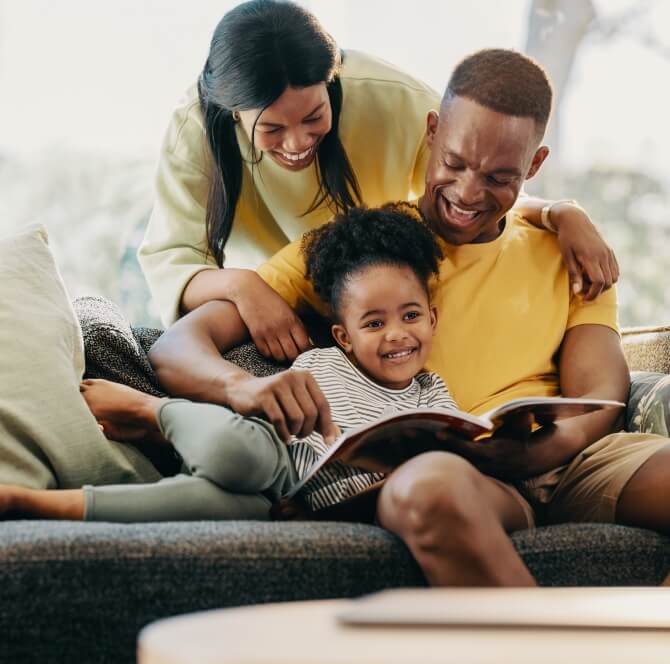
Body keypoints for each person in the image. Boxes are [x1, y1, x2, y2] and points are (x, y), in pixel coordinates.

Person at [139, 48, 670, 586]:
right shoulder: (363, 249)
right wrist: (238, 387)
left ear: (533, 167)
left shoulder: (565, 249)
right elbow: (176, 347)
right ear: (433, 133)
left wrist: (545, 450)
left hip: (572, 459)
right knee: (424, 489)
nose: (467, 193)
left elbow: (600, 390)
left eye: (498, 178)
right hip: (462, 477)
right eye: (455, 164)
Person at [139, 0, 618, 364]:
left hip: (376, 307)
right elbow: (173, 259)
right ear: (233, 113)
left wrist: (561, 213)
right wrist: (246, 288)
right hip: (278, 301)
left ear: (332, 80)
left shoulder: (395, 100)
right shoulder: (196, 128)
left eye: (313, 117)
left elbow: (471, 192)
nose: (297, 143)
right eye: (271, 129)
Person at [0, 205, 458, 521]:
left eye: (411, 316)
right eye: (374, 324)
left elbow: (453, 466)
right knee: (244, 456)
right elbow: (284, 435)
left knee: (215, 507)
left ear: (433, 321)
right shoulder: (322, 364)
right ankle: (150, 412)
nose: (396, 334)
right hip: (274, 464)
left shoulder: (433, 392)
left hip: (277, 503)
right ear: (345, 337)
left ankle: (32, 505)